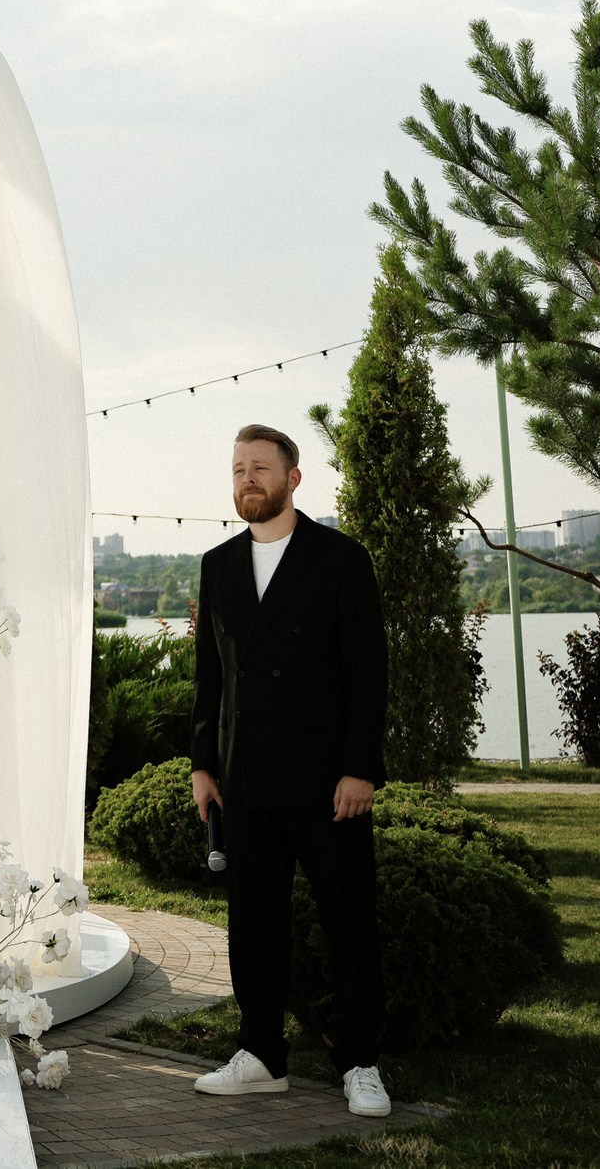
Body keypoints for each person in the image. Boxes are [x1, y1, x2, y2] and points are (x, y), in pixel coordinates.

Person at [187, 424, 391, 1120]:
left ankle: (361, 1060)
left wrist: (360, 768)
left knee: (348, 923)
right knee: (254, 924)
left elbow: (369, 673)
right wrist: (202, 763)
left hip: (328, 783)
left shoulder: (339, 559)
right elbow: (208, 677)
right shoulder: (217, 565)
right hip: (245, 780)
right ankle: (262, 1055)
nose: (248, 479)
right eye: (238, 468)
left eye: (261, 468)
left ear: (293, 479)